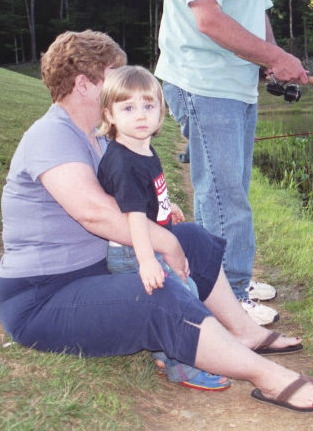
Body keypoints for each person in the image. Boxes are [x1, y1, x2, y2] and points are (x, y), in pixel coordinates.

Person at [0, 30, 313, 413]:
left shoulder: (94, 135)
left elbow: (125, 194)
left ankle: (242, 332)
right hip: (42, 299)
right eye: (115, 77)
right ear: (83, 84)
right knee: (157, 294)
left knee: (191, 237)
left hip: (91, 272)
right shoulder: (51, 136)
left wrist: (166, 220)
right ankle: (268, 377)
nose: (124, 88)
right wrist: (164, 243)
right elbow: (95, 213)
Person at [155, 0, 308, 326]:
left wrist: (274, 58)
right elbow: (209, 19)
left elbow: (256, 15)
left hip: (237, 87)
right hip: (203, 83)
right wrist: (273, 58)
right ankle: (229, 298)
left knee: (233, 190)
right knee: (222, 195)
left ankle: (232, 277)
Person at [96, 65, 228, 391]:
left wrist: (169, 207)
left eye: (148, 106)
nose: (140, 115)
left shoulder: (141, 146)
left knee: (180, 292)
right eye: (128, 108)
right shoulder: (123, 161)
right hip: (134, 250)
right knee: (184, 296)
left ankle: (161, 351)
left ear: (160, 112)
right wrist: (147, 261)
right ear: (109, 115)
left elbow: (148, 200)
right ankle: (182, 367)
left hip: (147, 243)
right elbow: (134, 218)